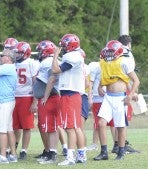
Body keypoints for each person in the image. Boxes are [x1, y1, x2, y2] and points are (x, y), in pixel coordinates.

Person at [93, 40, 140, 161]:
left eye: (110, 52)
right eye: (107, 52)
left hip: (120, 98)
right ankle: (104, 152)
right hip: (108, 97)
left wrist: (131, 95)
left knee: (120, 126)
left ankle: (121, 152)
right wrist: (99, 87)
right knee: (101, 123)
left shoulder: (124, 62)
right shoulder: (104, 63)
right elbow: (105, 78)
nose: (108, 54)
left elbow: (136, 80)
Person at [51, 34, 87, 165]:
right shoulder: (77, 56)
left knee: (70, 128)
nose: (63, 48)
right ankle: (82, 154)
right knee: (76, 127)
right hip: (74, 94)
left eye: (65, 45)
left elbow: (55, 69)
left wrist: (55, 55)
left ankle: (70, 157)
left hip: (70, 95)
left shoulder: (72, 56)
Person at [33, 40, 60, 164]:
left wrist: (45, 95)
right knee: (47, 126)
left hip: (50, 98)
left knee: (51, 127)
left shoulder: (49, 61)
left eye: (40, 50)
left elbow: (52, 78)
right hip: (47, 98)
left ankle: (52, 154)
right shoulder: (46, 61)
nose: (39, 53)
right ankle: (49, 152)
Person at [12, 41, 39, 160]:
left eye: (19, 53)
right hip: (13, 97)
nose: (17, 55)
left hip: (26, 97)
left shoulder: (31, 64)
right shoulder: (13, 64)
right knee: (14, 126)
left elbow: (35, 83)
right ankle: (12, 148)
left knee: (26, 126)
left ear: (26, 53)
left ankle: (24, 150)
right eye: (16, 52)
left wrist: (35, 101)